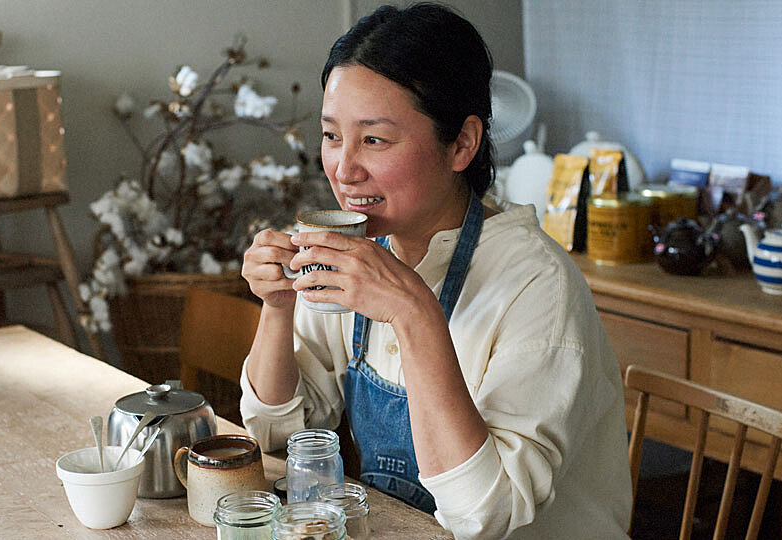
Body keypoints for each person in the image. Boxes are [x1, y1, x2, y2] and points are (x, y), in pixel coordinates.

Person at [239, 3, 632, 538]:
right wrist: (278, 307)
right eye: (332, 136)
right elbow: (282, 440)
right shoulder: (361, 251)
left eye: (374, 139)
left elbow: (483, 515)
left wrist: (414, 311)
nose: (344, 168)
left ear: (462, 144)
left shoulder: (539, 285)